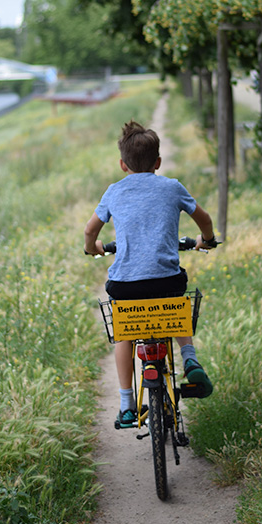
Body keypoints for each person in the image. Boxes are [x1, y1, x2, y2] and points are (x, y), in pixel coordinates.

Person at [84, 120, 216, 428]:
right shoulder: (172, 187)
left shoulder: (114, 191)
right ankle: (190, 358)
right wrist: (206, 240)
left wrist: (94, 248)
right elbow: (204, 219)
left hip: (125, 287)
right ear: (158, 162)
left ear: (122, 164)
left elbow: (90, 230)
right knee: (175, 305)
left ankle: (127, 404)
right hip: (166, 281)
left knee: (125, 333)